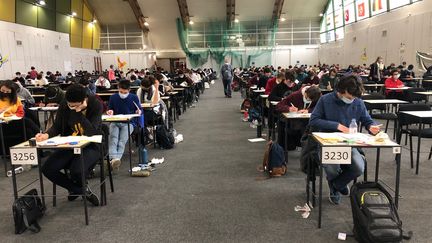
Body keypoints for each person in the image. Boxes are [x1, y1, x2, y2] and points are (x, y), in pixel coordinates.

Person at [309, 75, 381, 205]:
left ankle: (336, 185)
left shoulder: (358, 102)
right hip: (328, 144)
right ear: (340, 91)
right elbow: (313, 120)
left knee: (359, 168)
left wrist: (372, 126)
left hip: (349, 144)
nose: (352, 100)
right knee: (332, 168)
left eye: (354, 97)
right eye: (349, 97)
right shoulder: (325, 100)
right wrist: (337, 126)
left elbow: (367, 120)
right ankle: (337, 186)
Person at [36, 84, 102, 206]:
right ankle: (81, 191)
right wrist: (46, 135)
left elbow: (92, 131)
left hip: (92, 145)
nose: (71, 107)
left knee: (76, 170)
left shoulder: (95, 104)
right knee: (47, 169)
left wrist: (78, 113)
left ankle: (77, 189)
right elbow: (57, 126)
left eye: (75, 105)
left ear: (84, 100)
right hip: (69, 145)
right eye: (70, 105)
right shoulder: (65, 104)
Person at [106, 80, 142, 170]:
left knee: (122, 141)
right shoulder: (113, 97)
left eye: (125, 92)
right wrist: (110, 111)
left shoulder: (134, 97)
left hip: (129, 123)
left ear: (129, 90)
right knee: (113, 139)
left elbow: (139, 109)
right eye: (121, 92)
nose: (123, 94)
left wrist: (139, 111)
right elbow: (110, 109)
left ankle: (114, 160)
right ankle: (115, 160)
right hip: (115, 121)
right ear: (118, 89)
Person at [275, 85, 321, 150]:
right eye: (307, 98)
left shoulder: (316, 97)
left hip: (307, 122)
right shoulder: (295, 95)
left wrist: (308, 110)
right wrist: (288, 108)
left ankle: (308, 146)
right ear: (305, 93)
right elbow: (278, 105)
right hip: (293, 122)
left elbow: (319, 108)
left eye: (311, 100)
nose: (308, 100)